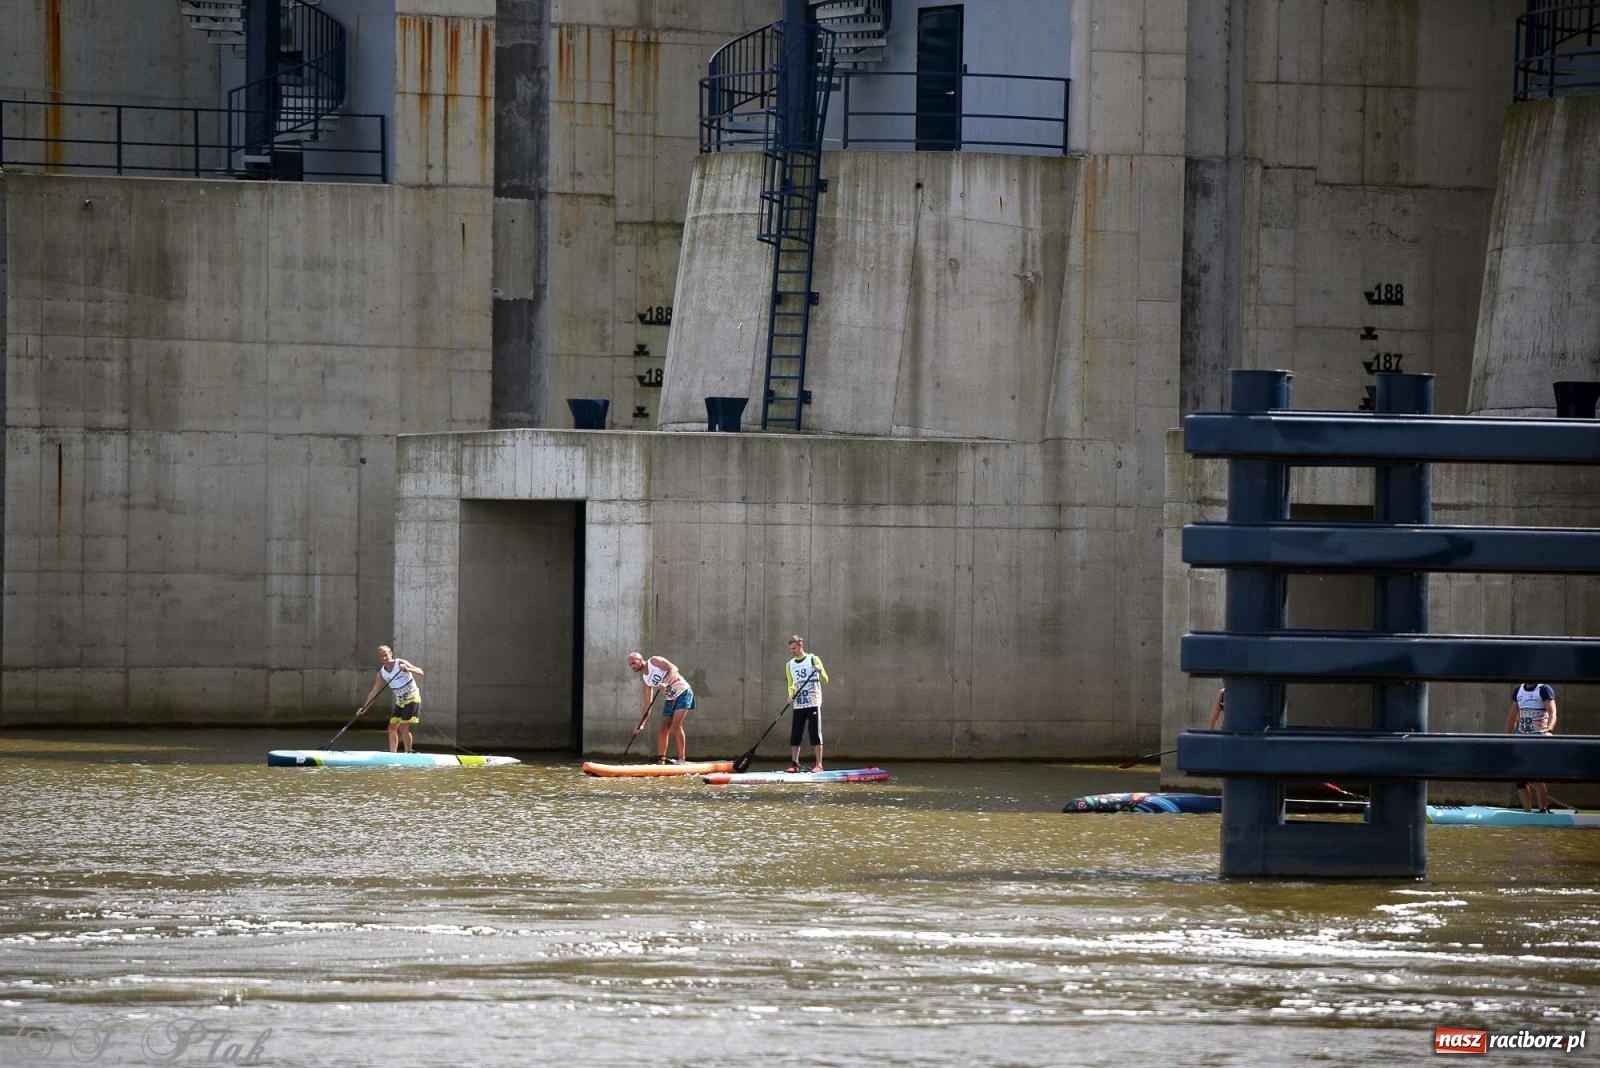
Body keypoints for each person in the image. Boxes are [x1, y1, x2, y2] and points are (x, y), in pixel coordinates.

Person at [627, 651, 695, 763]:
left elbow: (674, 668)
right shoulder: (645, 680)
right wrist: (642, 723)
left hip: (683, 692)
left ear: (640, 660)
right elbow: (648, 704)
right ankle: (661, 761)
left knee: (676, 725)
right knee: (663, 728)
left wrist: (666, 682)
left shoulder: (654, 661)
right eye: (630, 665)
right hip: (670, 699)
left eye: (633, 663)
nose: (632, 666)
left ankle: (682, 759)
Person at [357, 645, 425, 754]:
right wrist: (365, 707)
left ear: (391, 653)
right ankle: (393, 754)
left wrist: (408, 669)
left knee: (403, 726)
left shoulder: (400, 663)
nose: (384, 657)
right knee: (392, 727)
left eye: (386, 654)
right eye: (381, 656)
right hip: (400, 701)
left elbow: (421, 672)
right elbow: (374, 691)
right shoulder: (381, 673)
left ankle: (409, 752)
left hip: (412, 697)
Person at [1506, 682, 1558, 812]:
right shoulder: (1518, 691)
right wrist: (1506, 737)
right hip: (1522, 737)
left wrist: (1549, 729)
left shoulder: (1544, 690)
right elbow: (1513, 716)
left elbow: (1552, 712)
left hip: (1538, 737)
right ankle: (1527, 812)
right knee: (1519, 777)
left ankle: (1543, 809)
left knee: (1537, 774)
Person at [784, 635, 830, 773]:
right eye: (790, 649)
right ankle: (795, 764)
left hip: (813, 702)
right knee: (796, 734)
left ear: (800, 645)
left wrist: (820, 670)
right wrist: (790, 694)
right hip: (799, 704)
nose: (792, 651)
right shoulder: (789, 665)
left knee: (815, 733)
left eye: (794, 648)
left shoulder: (813, 659)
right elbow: (791, 684)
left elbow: (825, 680)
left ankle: (819, 765)